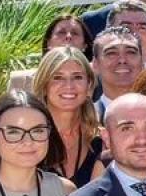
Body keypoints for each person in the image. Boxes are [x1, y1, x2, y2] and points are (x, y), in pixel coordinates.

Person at [31, 47, 104, 186]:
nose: (69, 85)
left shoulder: (101, 141)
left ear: (89, 85)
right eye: (58, 77)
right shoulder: (28, 138)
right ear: (44, 85)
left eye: (77, 77)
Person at [92, 26, 145, 116]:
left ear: (142, 62)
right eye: (111, 53)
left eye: (130, 52)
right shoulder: (81, 121)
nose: (122, 60)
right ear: (95, 64)